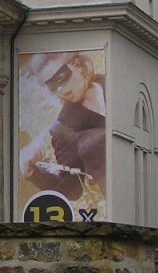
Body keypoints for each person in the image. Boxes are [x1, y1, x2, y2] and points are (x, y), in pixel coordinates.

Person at [20, 51, 106, 201]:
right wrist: (33, 173)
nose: (60, 90)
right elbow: (72, 190)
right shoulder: (64, 130)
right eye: (52, 86)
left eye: (60, 78)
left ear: (77, 65)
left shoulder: (111, 83)